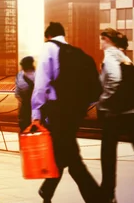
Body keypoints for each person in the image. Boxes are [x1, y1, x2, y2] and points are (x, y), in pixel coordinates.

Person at [31, 22, 103, 203]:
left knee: (71, 157)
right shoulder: (76, 52)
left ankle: (96, 198)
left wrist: (36, 113)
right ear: (63, 35)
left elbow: (41, 84)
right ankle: (47, 190)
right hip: (75, 111)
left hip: (58, 110)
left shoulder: (48, 48)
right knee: (64, 151)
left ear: (48, 36)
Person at [98, 28, 134, 203]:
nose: (100, 43)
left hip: (116, 113)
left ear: (106, 39)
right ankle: (107, 193)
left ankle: (107, 193)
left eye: (101, 39)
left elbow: (114, 78)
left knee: (108, 153)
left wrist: (105, 100)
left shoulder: (110, 55)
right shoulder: (124, 56)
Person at [15, 56, 35, 132]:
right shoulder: (38, 75)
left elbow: (17, 93)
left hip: (24, 107)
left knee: (24, 128)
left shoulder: (19, 75)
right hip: (34, 107)